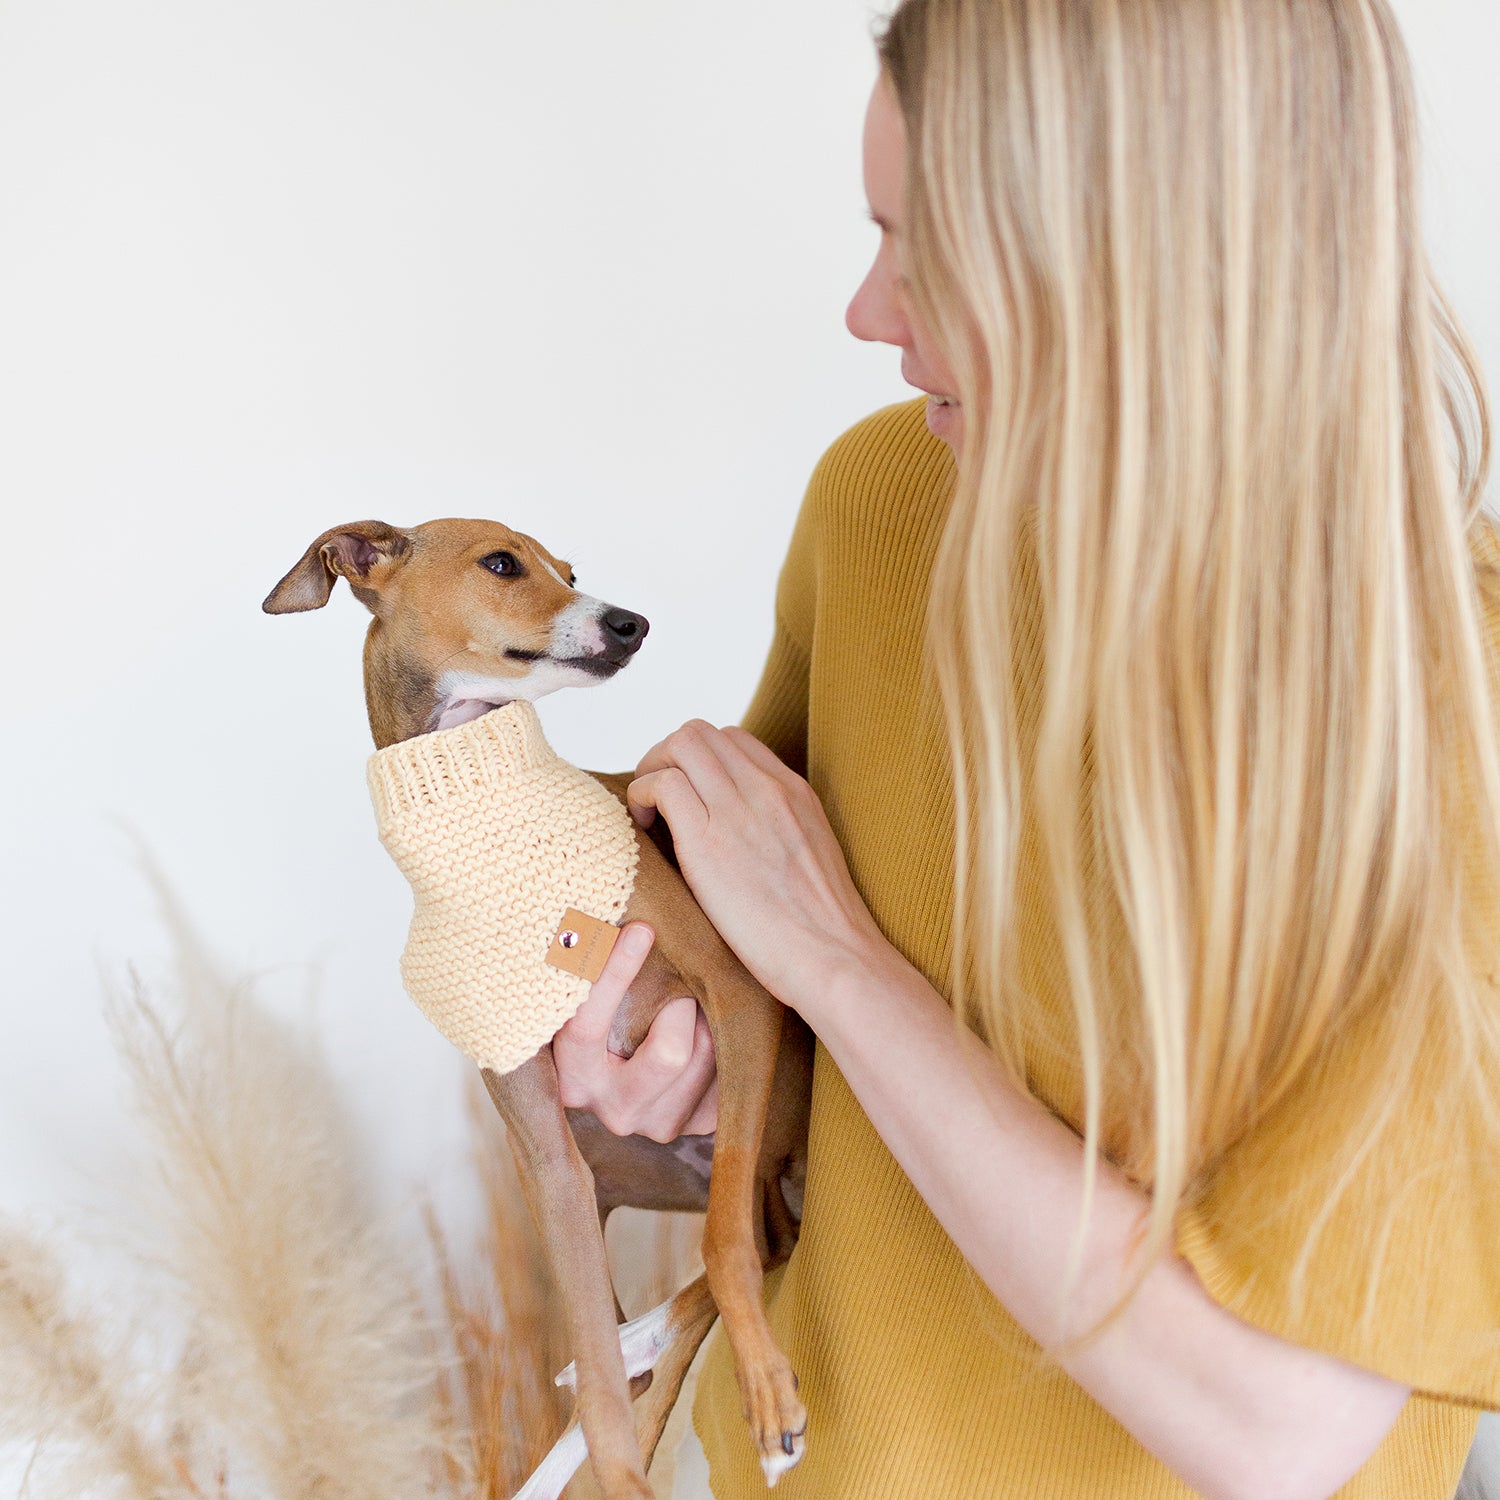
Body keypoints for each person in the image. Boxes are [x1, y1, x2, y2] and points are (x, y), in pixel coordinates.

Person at [553, 1, 1500, 1495]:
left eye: (931, 251)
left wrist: (839, 963)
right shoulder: (883, 501)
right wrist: (654, 1080)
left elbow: (1277, 1428)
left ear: (1151, 261)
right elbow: (773, 1078)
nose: (867, 311)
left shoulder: (1444, 694)